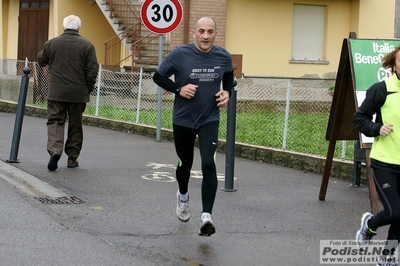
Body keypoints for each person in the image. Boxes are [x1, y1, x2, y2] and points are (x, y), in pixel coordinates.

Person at [152, 17, 234, 236]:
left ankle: (207, 216)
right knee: (184, 164)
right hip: (183, 119)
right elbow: (158, 76)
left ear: (215, 33)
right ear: (194, 33)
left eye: (210, 32)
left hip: (209, 118)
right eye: (201, 31)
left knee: (209, 163)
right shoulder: (180, 54)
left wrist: (227, 92)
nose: (205, 36)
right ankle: (183, 196)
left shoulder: (223, 56)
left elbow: (228, 77)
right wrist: (179, 89)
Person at [353, 46, 400, 266]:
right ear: (394, 64)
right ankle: (370, 225)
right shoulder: (382, 89)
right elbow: (359, 118)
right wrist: (377, 128)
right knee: (392, 213)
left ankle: (387, 257)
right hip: (385, 163)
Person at [37, 15, 99, 171]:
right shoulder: (87, 45)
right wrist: (88, 88)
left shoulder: (52, 43)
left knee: (55, 121)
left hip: (56, 92)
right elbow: (92, 70)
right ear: (79, 28)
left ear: (63, 27)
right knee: (75, 124)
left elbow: (41, 60)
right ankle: (72, 157)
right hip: (78, 93)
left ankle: (55, 150)